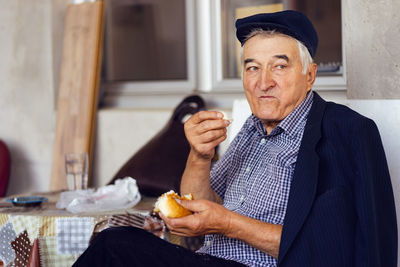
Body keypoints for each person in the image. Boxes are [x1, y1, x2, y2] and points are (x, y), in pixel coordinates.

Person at [73, 10, 397, 267]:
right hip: (206, 258)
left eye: (279, 67)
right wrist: (199, 156)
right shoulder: (250, 129)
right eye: (252, 68)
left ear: (309, 75)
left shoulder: (344, 132)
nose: (263, 82)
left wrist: (228, 223)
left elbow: (330, 249)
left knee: (114, 248)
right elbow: (201, 205)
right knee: (116, 239)